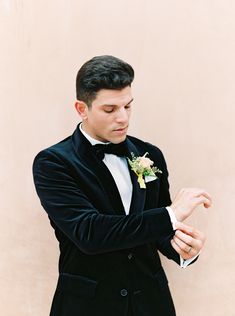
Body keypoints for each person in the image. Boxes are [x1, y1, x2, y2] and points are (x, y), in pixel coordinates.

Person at [33, 55, 212, 316]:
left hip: (151, 302)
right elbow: (90, 233)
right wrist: (171, 214)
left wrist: (182, 249)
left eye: (128, 106)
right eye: (110, 109)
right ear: (82, 109)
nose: (123, 118)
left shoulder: (149, 154)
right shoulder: (53, 162)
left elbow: (156, 227)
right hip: (88, 306)